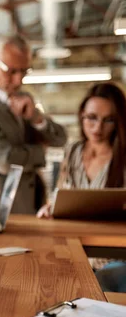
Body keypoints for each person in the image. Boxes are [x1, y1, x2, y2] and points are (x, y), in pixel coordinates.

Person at [0, 35, 67, 216]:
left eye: (24, 71)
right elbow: (5, 161)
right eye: (11, 71)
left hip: (33, 202)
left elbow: (60, 138)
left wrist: (36, 118)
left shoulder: (23, 99)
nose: (19, 80)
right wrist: (40, 152)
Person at [36, 82, 126, 293]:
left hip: (114, 255)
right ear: (82, 116)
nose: (98, 128)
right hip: (74, 251)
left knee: (103, 284)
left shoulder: (123, 156)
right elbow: (60, 196)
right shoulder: (73, 151)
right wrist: (51, 208)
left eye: (108, 120)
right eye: (92, 118)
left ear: (119, 121)